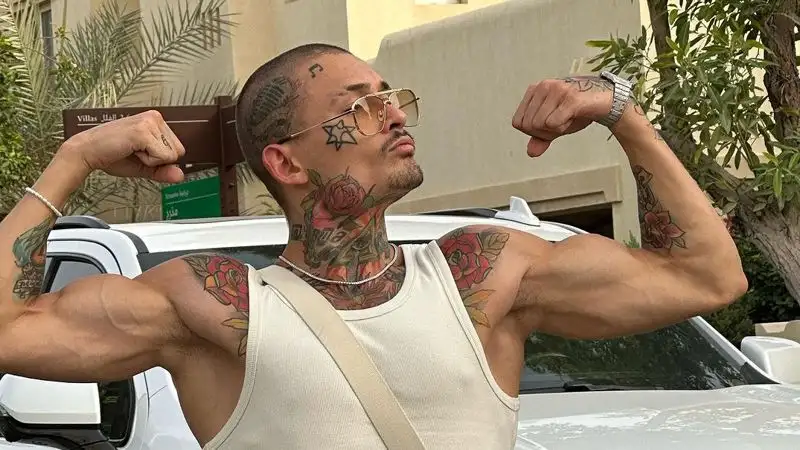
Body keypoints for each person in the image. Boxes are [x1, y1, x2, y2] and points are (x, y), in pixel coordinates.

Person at [0, 43, 747, 449]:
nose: (393, 115)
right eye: (359, 107)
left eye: (391, 97)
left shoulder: (483, 274)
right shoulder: (214, 306)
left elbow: (706, 277)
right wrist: (75, 160)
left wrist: (622, 113)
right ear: (286, 162)